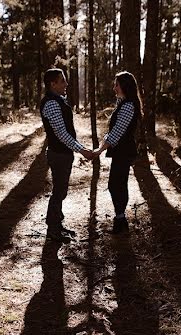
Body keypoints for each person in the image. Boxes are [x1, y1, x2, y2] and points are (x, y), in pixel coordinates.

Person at [40, 68, 95, 243]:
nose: (66, 84)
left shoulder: (58, 101)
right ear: (52, 84)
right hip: (58, 154)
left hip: (63, 153)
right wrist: (82, 150)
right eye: (62, 81)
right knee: (59, 191)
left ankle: (57, 225)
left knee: (61, 190)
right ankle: (53, 229)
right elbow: (61, 134)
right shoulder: (51, 103)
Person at [93, 71, 142, 234]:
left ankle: (120, 220)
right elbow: (114, 130)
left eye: (117, 84)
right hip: (121, 151)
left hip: (124, 151)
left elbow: (117, 133)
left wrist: (100, 150)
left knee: (116, 185)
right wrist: (102, 145)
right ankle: (120, 219)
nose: (114, 87)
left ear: (124, 86)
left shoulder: (128, 105)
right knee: (117, 184)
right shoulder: (123, 103)